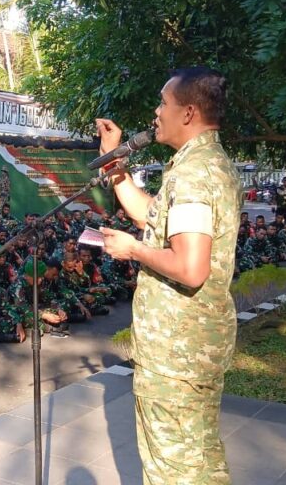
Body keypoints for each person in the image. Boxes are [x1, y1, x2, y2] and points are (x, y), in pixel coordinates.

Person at [97, 67, 240, 484]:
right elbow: (150, 216)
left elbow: (190, 269)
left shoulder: (194, 174)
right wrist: (115, 164)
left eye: (163, 103)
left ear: (189, 112)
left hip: (177, 354)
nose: (157, 112)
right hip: (192, 348)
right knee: (200, 461)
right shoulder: (206, 164)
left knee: (173, 470)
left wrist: (133, 249)